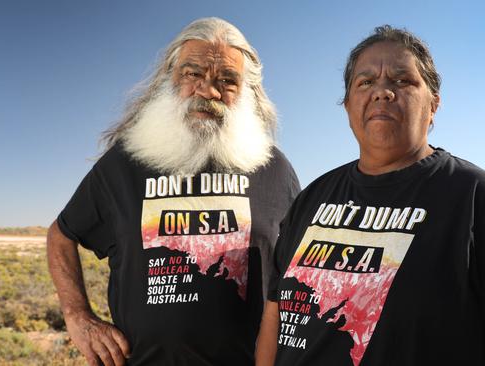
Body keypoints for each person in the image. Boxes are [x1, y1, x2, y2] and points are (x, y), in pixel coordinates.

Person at [256, 25, 485, 366]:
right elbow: (274, 316)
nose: (383, 92)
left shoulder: (476, 197)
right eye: (365, 82)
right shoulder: (313, 198)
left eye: (402, 80)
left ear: (433, 104)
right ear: (348, 105)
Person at [46, 17, 300, 366]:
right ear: (169, 80)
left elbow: (300, 272)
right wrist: (78, 318)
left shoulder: (272, 169)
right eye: (192, 74)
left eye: (226, 80)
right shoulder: (126, 162)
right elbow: (61, 235)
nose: (208, 91)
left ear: (248, 93)